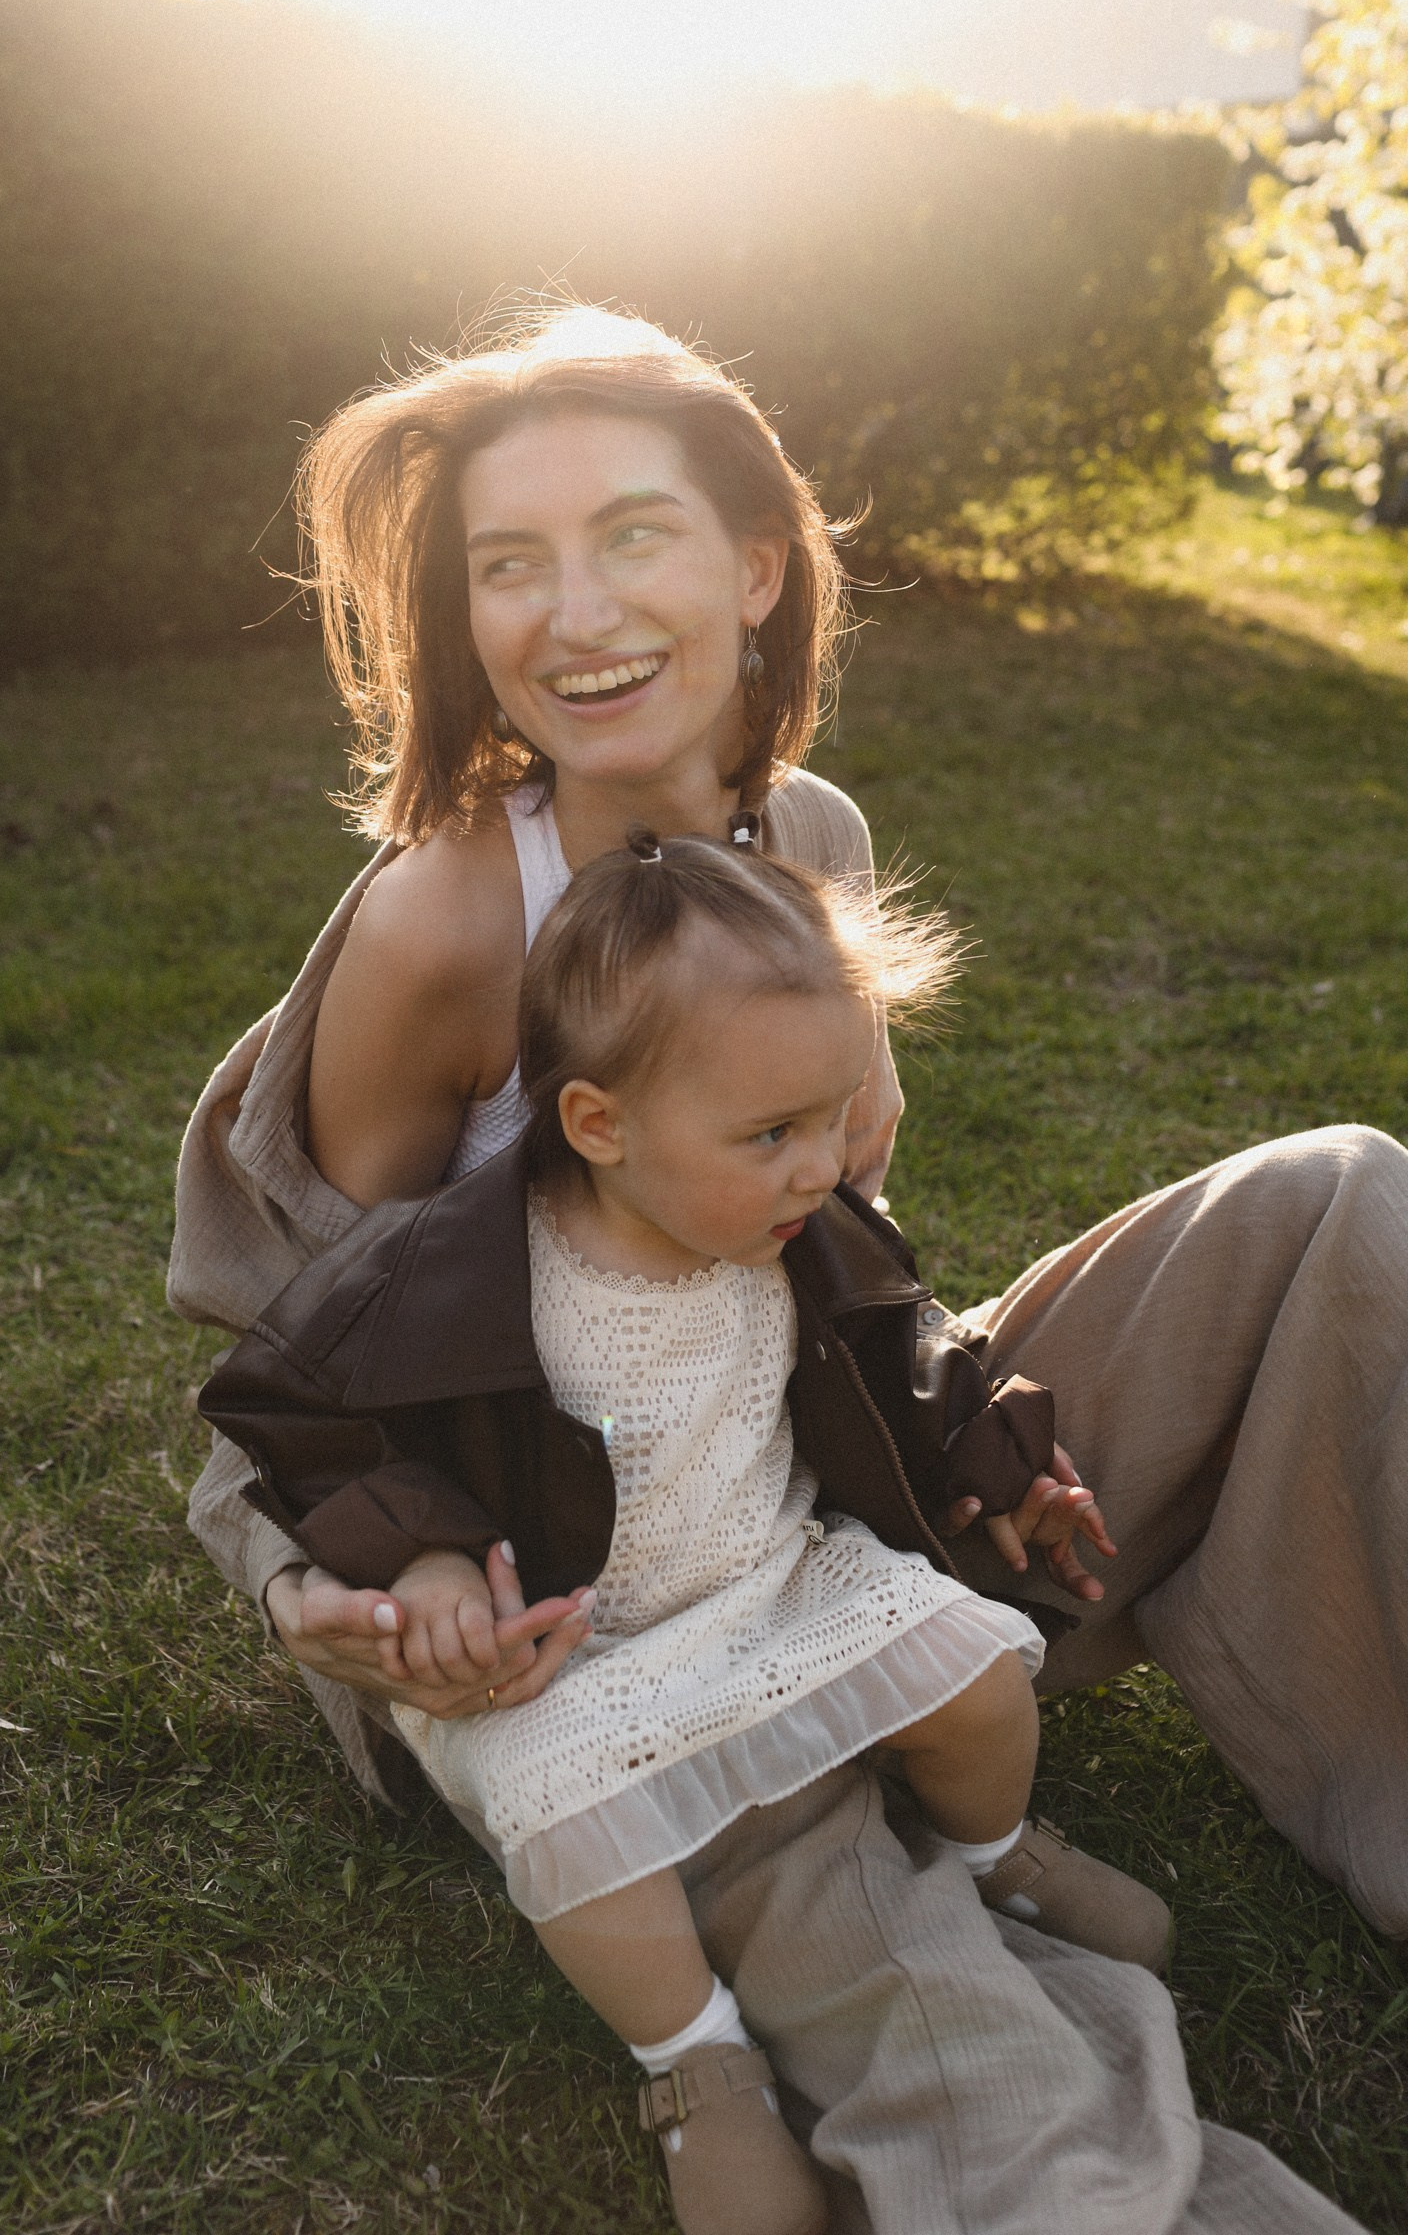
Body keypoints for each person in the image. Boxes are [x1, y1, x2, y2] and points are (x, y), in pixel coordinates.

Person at [173, 302, 1400, 2231]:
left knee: (1344, 1196)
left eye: (632, 535)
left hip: (807, 1466)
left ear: (755, 566)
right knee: (966, 2053)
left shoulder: (803, 834)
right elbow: (287, 1364)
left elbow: (846, 1256)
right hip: (555, 1615)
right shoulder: (437, 926)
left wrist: (981, 1428)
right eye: (511, 563)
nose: (573, 612)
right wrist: (320, 1592)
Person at [198, 836, 1171, 2235]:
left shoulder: (800, 1226)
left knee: (971, 1669)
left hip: (771, 1577)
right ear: (598, 1126)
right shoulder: (455, 1276)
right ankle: (694, 2065)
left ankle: (995, 1852)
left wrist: (998, 1458)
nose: (824, 1166)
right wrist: (421, 1560)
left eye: (838, 1115)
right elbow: (304, 1421)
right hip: (569, 1651)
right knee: (576, 1835)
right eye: (772, 1134)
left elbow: (911, 1345)